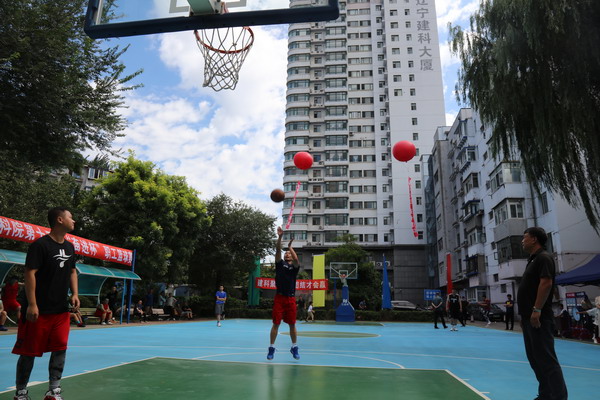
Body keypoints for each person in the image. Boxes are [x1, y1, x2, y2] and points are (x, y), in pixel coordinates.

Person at [11, 207, 80, 400]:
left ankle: (53, 390)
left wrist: (74, 293)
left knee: (60, 349)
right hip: (38, 311)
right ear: (59, 220)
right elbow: (30, 273)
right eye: (70, 217)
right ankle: (21, 393)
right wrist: (32, 304)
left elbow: (72, 271)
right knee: (29, 352)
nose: (73, 220)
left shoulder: (69, 247)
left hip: (60, 310)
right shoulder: (40, 245)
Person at [518, 227, 568, 400]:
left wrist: (536, 310)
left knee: (546, 359)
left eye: (525, 237)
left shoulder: (544, 258)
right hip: (528, 318)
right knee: (535, 359)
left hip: (539, 317)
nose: (522, 241)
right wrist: (525, 316)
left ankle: (559, 397)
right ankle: (546, 394)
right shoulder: (532, 260)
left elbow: (546, 283)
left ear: (534, 239)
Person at [267, 226, 301, 360]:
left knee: (292, 324)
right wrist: (280, 237)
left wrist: (290, 246)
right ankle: (271, 348)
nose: (287, 254)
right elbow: (277, 250)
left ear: (291, 256)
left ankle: (294, 347)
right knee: (276, 324)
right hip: (279, 298)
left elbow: (297, 260)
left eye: (289, 253)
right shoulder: (279, 264)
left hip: (291, 299)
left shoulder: (294, 268)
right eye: (285, 253)